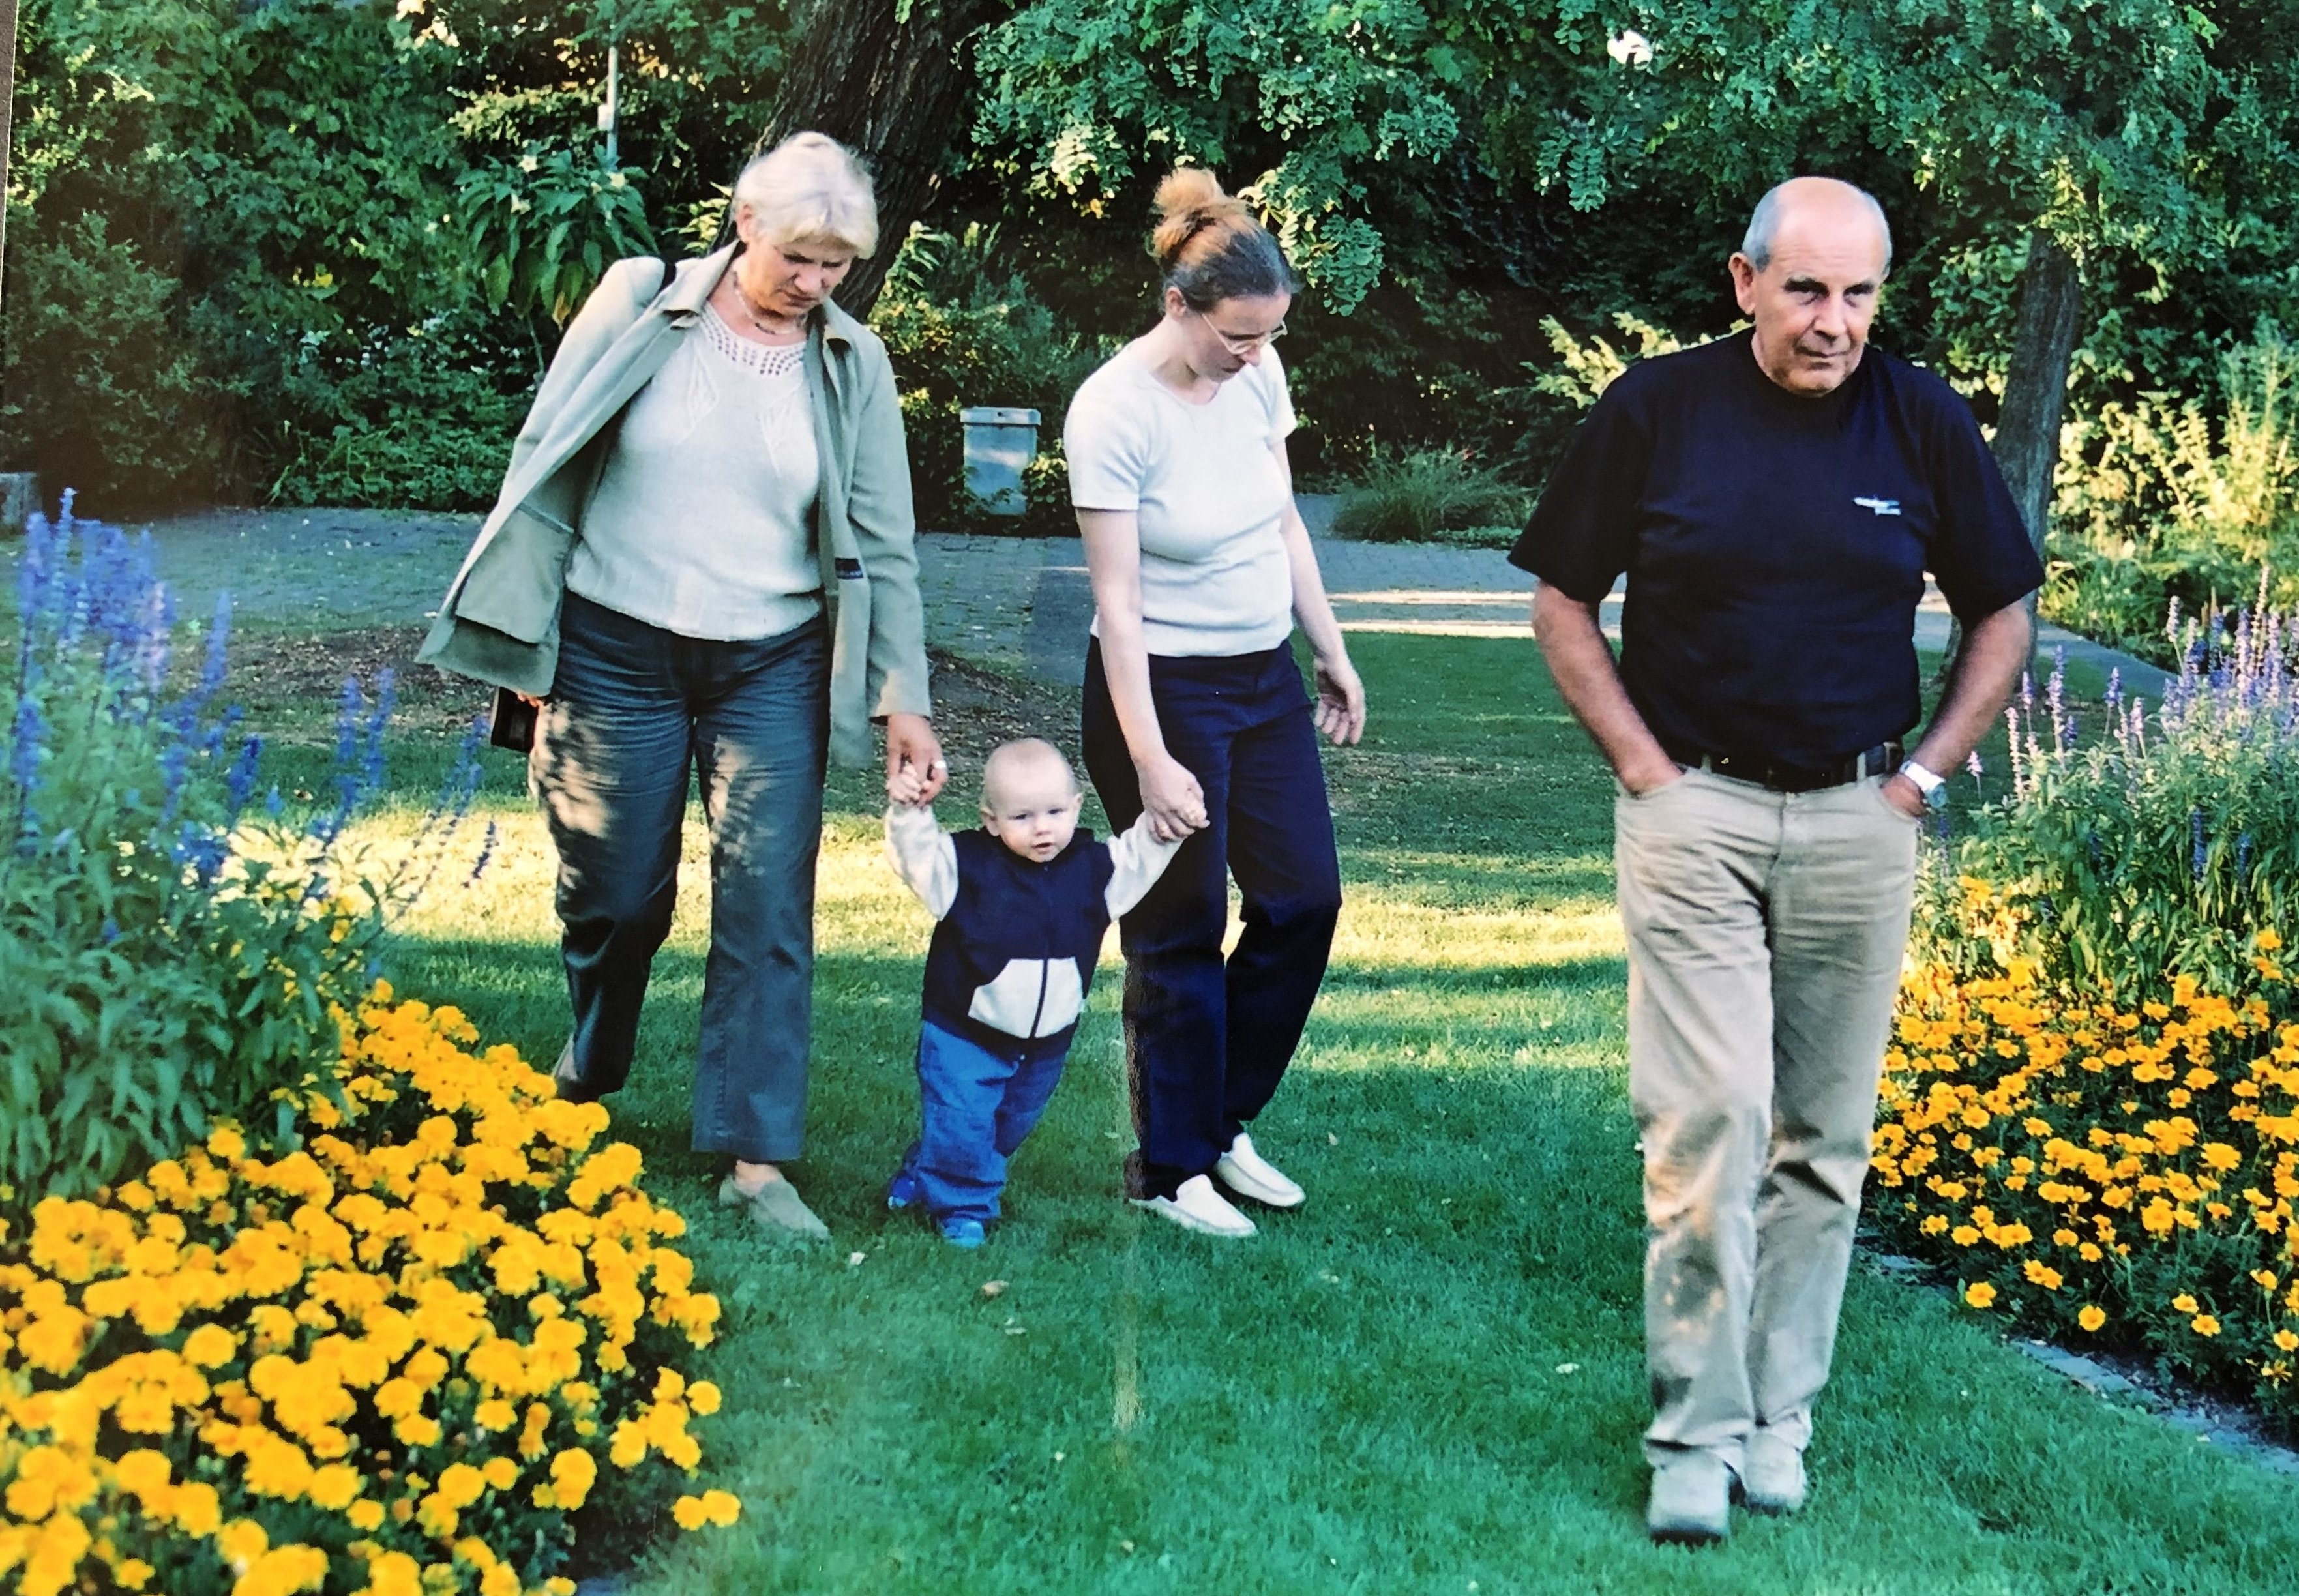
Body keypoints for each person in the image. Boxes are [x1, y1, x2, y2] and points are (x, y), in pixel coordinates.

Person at [1513, 176, 2043, 1542]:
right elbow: (1561, 603)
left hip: (1861, 817)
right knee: (1709, 1120)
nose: (1833, 321)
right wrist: (1645, 770)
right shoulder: (1656, 410)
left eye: (1858, 294)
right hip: (1695, 810)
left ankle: (1775, 1416)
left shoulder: (1920, 420)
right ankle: (1692, 1435)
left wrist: (1921, 780)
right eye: (1806, 289)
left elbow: (2002, 611)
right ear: (1744, 281)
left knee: (1823, 1138)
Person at [417, 132, 942, 1243]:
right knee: (613, 895)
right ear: (744, 224)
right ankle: (593, 1055)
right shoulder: (637, 300)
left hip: (772, 661)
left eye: (837, 265)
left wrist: (904, 697)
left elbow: (885, 543)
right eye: (799, 257)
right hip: (614, 645)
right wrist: (526, 641)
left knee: (767, 904)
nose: (816, 283)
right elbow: (542, 457)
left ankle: (755, 1160)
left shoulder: (854, 363)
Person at [1065, 168, 1367, 1240]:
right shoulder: (1112, 410)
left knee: (1303, 901)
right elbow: (1118, 601)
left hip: (1262, 678)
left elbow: (1282, 520)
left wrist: (1329, 649)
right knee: (1179, 924)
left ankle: (1217, 1119)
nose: (1255, 353)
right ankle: (1169, 1166)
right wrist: (1150, 757)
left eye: (1269, 333)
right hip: (1162, 686)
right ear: (1178, 306)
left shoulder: (1257, 372)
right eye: (1238, 335)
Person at [881, 739, 1187, 1247]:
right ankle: (964, 1207)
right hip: (964, 1032)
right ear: (991, 820)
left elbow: (1139, 858)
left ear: (1076, 808)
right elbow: (917, 857)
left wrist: (1168, 826)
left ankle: (926, 1167)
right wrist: (909, 812)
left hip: (1046, 1043)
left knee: (1009, 1124)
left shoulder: (1094, 870)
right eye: (1022, 817)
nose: (1041, 828)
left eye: (1053, 813)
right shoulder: (965, 869)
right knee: (962, 1119)